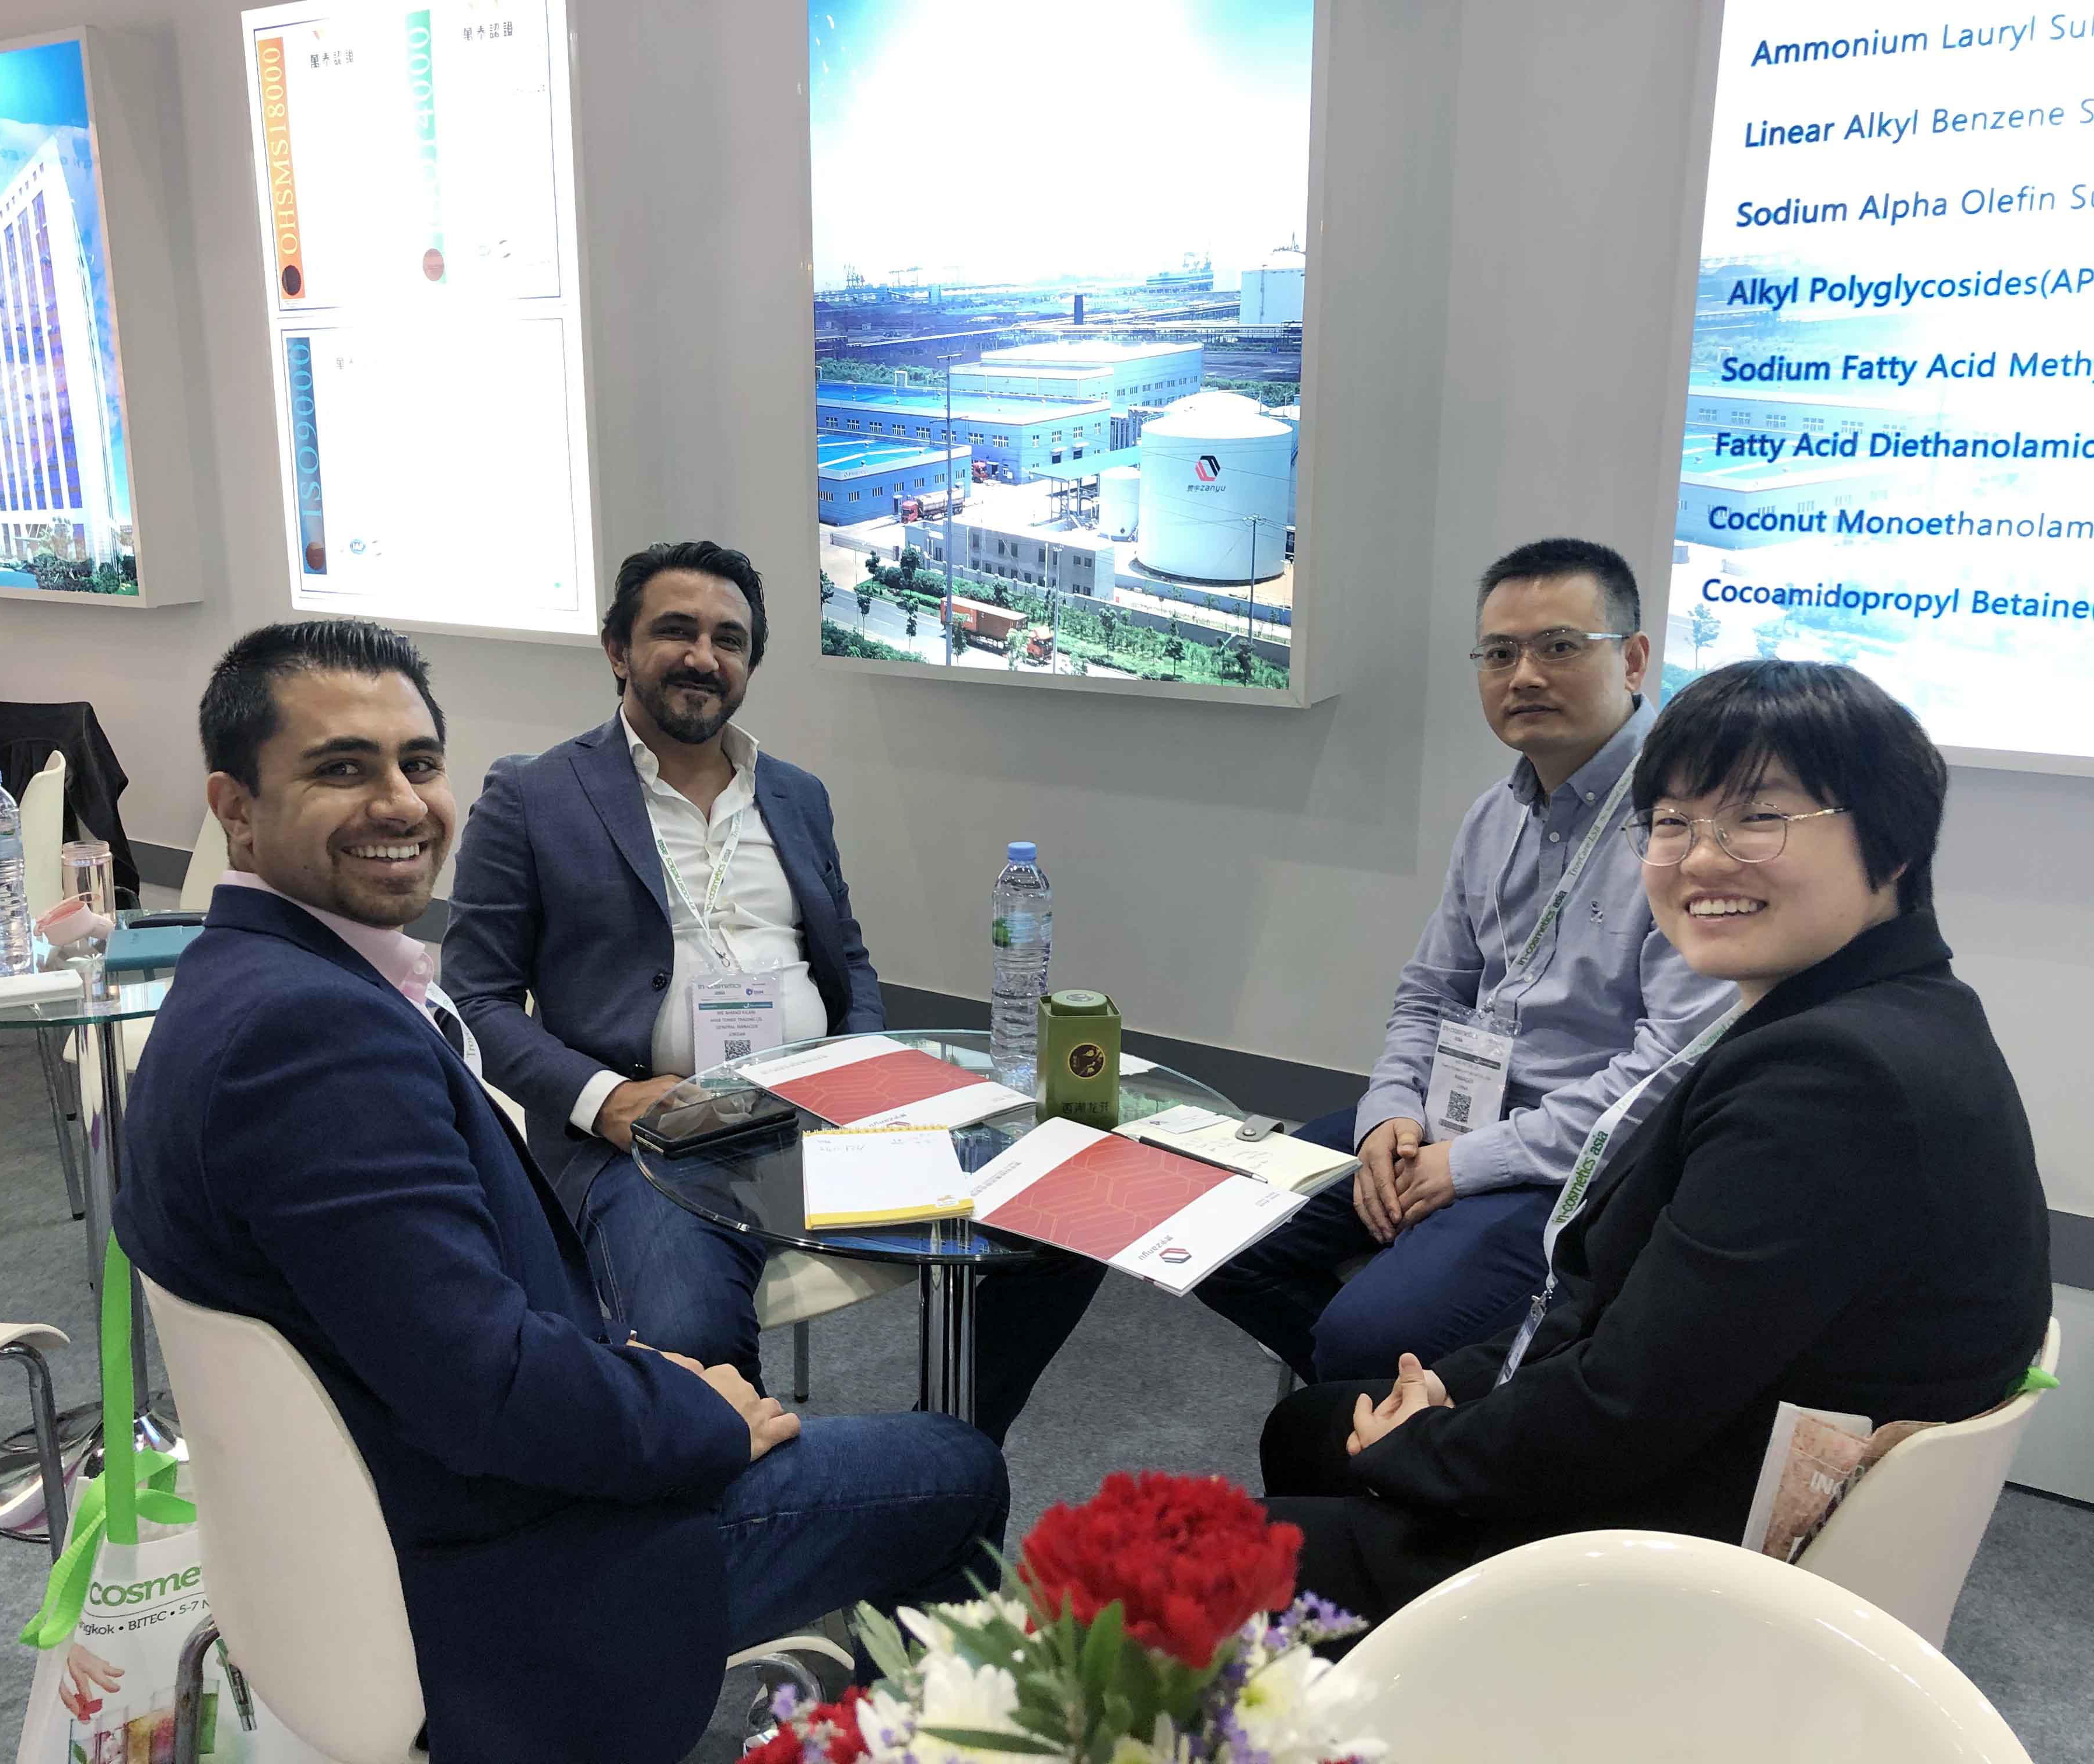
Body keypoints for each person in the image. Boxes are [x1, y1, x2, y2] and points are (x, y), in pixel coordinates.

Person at [115, 621, 1008, 1764]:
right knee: (954, 1470)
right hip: (500, 1577)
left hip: (361, 1536)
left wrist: (638, 1375)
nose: (401, 803)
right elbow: (487, 1392)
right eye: (343, 768)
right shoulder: (312, 1040)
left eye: (419, 763)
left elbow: (434, 1327)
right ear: (236, 809)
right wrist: (696, 1414)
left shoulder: (239, 981)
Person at [1259, 659, 2052, 1628]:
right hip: (1687, 1445)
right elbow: (1626, 1327)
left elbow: (1623, 1410)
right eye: (1672, 822)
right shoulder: (1887, 1010)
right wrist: (1452, 1395)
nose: (1700, 861)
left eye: (1758, 818)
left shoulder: (1832, 1085)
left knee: (1168, 1570)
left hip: (1669, 1567)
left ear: (1889, 847)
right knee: (1308, 1425)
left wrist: (1415, 1447)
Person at [440, 540, 1104, 1444]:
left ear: (751, 662)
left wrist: (866, 1070)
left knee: (1070, 1210)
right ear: (617, 649)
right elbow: (474, 1001)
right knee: (689, 1344)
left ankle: (950, 1448)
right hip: (656, 1143)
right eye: (675, 631)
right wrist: (609, 1103)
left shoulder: (795, 795)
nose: (703, 656)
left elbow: (849, 960)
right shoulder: (534, 795)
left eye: (729, 639)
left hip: (819, 1115)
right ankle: (760, 1502)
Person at [1197, 538, 1736, 1380]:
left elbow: (1664, 1072)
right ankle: (1422, 1407)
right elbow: (1430, 992)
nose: (1525, 676)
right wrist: (1389, 1112)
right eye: (1499, 654)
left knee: (1365, 1336)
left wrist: (1469, 1164)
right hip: (1450, 1115)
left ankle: (1426, 1410)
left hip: (1575, 1167)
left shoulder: (1686, 829)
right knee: (1209, 1235)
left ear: (1634, 660)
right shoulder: (1496, 815)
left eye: (1560, 646)